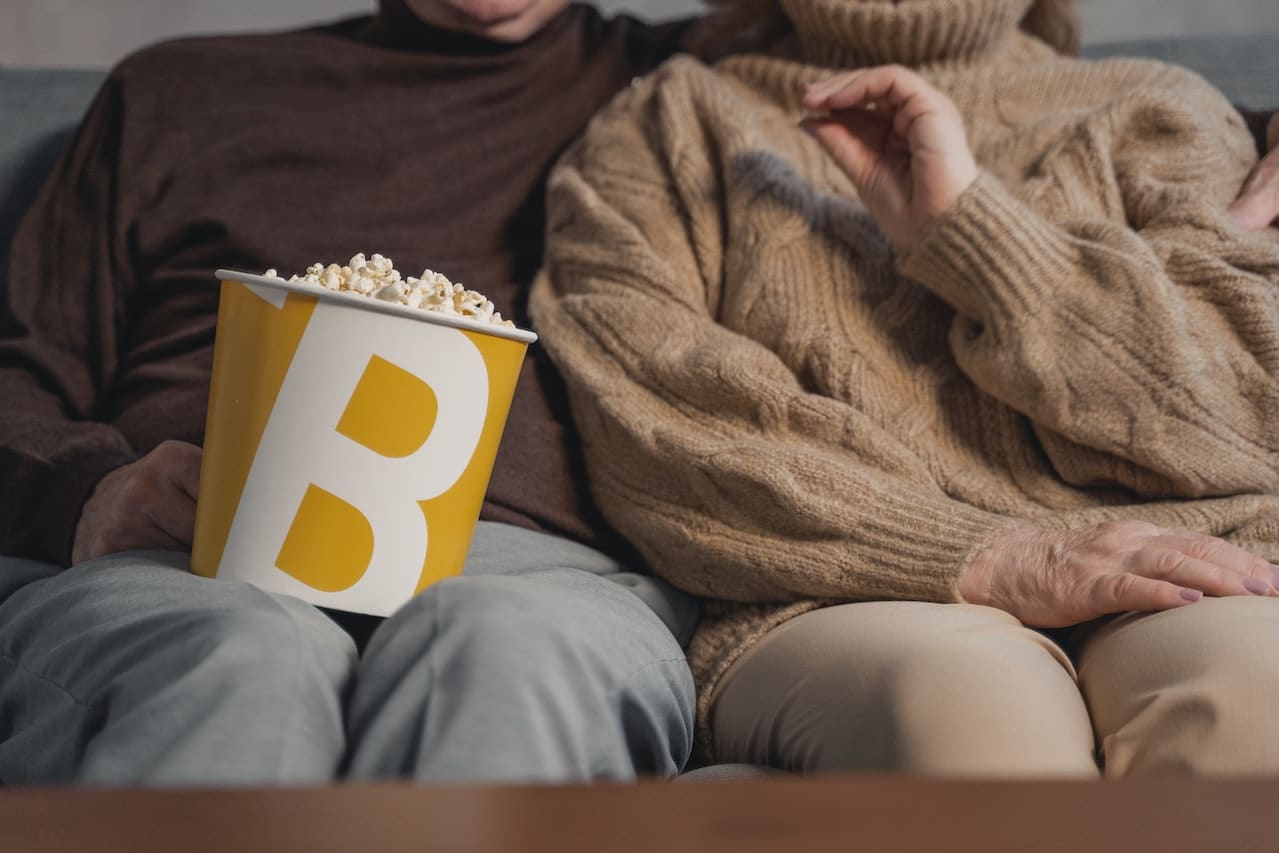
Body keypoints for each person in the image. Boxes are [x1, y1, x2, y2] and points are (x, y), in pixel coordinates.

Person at [531, 0, 1279, 777]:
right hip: (851, 589)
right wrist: (979, 550)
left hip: (1199, 560)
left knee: (1258, 705)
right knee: (974, 721)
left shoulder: (1160, 107)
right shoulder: (666, 126)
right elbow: (655, 422)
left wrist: (975, 238)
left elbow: (1251, 420)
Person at [0, 0, 704, 785]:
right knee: (245, 657)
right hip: (195, 560)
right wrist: (88, 489)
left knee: (503, 651)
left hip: (545, 579)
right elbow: (18, 372)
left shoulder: (694, 82)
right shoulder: (178, 93)